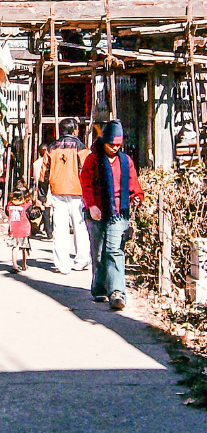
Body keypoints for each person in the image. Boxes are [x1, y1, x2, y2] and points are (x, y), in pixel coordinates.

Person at [81, 119, 143, 311]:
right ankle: (100, 288)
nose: (114, 149)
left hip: (118, 212)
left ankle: (117, 293)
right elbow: (86, 184)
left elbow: (133, 182)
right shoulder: (92, 160)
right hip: (96, 212)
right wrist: (91, 205)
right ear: (104, 142)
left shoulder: (126, 161)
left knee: (114, 250)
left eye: (118, 145)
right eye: (111, 145)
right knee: (98, 252)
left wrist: (138, 196)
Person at [43, 117, 90, 274]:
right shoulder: (80, 147)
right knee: (80, 225)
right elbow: (89, 169)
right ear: (75, 130)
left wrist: (43, 195)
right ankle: (81, 260)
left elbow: (44, 172)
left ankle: (63, 265)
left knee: (60, 228)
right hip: (77, 191)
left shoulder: (51, 147)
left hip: (57, 191)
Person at [6, 181, 32, 273]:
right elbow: (31, 215)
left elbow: (7, 212)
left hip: (13, 229)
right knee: (24, 247)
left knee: (15, 247)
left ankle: (14, 265)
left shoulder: (9, 205)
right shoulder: (27, 205)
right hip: (24, 229)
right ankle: (24, 264)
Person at [31, 143, 53, 239]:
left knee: (42, 209)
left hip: (38, 188)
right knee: (46, 210)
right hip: (46, 188)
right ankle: (49, 231)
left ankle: (40, 228)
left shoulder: (35, 163)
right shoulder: (48, 163)